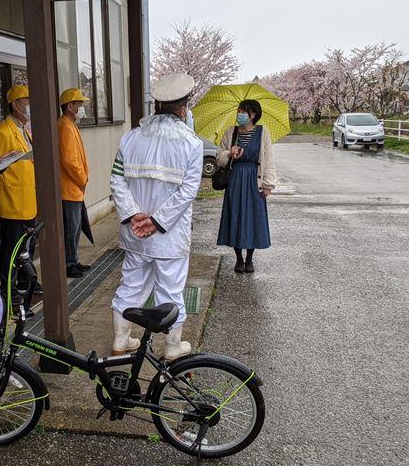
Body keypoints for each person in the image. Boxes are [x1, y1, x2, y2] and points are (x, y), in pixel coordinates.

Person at [109, 73, 203, 359]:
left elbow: (116, 179)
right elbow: (188, 191)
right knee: (170, 290)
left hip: (134, 233)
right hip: (169, 237)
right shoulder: (192, 144)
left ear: (157, 105)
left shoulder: (130, 138)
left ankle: (120, 341)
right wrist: (157, 221)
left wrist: (134, 215)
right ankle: (172, 347)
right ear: (183, 108)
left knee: (131, 285)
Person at [0, 85, 41, 299]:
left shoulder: (24, 130)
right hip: (12, 201)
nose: (31, 105)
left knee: (27, 246)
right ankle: (9, 288)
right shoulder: (2, 133)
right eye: (27, 101)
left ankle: (26, 282)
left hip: (28, 200)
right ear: (15, 104)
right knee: (11, 249)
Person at [216, 99, 276, 272]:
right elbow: (219, 157)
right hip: (235, 180)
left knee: (253, 218)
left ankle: (249, 258)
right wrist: (229, 154)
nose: (240, 115)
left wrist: (268, 185)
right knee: (235, 216)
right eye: (239, 111)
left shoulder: (263, 132)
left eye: (244, 112)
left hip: (254, 180)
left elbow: (268, 159)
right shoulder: (231, 132)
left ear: (253, 114)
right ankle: (238, 259)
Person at [58, 88, 92, 278]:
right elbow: (70, 160)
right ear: (70, 106)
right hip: (70, 187)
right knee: (71, 229)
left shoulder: (69, 125)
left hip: (74, 187)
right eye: (79, 104)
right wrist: (82, 179)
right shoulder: (65, 126)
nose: (81, 108)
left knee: (75, 227)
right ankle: (68, 263)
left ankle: (73, 260)